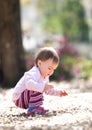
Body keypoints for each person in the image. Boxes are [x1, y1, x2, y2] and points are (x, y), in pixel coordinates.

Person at [12, 47, 68, 116]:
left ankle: (36, 107)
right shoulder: (34, 72)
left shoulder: (45, 76)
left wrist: (59, 93)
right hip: (19, 97)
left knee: (40, 87)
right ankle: (33, 109)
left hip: (27, 99)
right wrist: (43, 87)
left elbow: (47, 90)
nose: (51, 72)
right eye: (49, 68)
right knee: (37, 87)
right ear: (39, 63)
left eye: (53, 69)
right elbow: (29, 84)